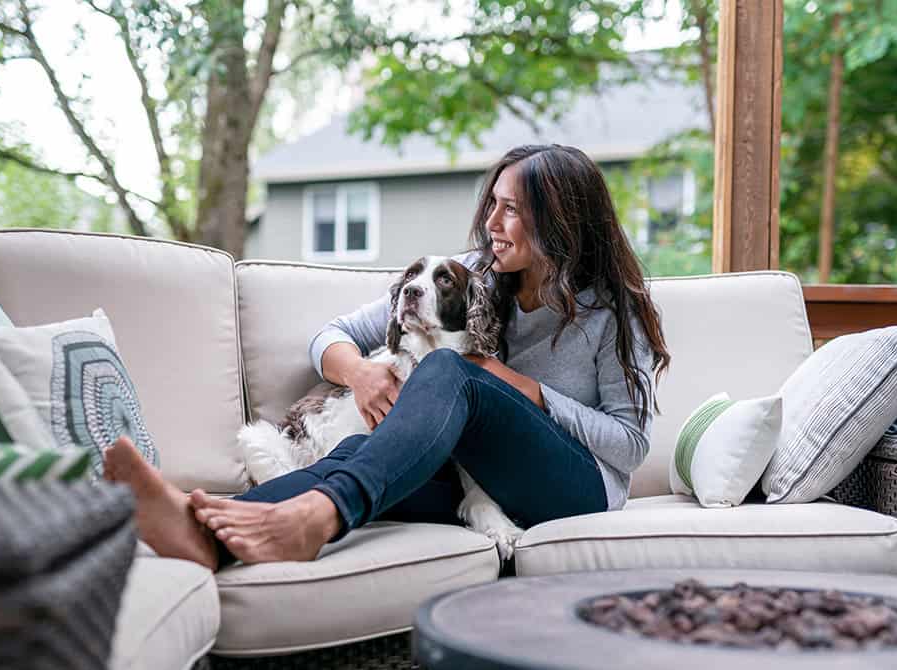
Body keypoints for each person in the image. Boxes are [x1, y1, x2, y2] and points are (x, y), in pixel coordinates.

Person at [103, 144, 671, 570]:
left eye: (513, 211)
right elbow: (332, 336)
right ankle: (202, 535)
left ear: (560, 221)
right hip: (481, 479)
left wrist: (529, 390)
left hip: (576, 488)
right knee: (359, 447)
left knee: (449, 367)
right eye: (493, 205)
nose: (493, 224)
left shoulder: (611, 312)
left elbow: (630, 443)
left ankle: (320, 518)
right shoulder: (472, 276)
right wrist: (361, 373)